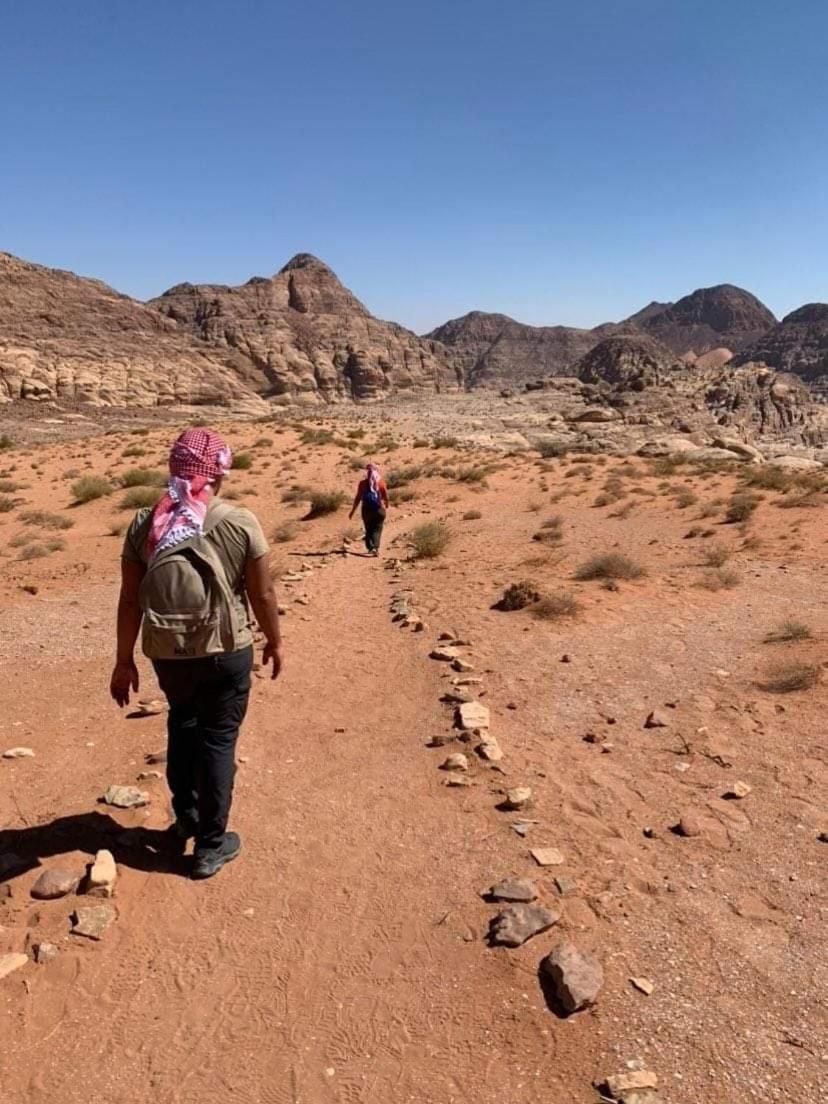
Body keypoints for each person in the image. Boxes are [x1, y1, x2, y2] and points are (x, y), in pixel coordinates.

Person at [109, 428, 283, 879]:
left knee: (182, 721)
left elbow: (130, 600)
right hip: (225, 649)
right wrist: (275, 640)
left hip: (167, 653)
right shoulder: (240, 521)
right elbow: (262, 594)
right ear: (220, 473)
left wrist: (123, 660)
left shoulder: (145, 522)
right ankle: (209, 846)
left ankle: (186, 816)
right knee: (218, 740)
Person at [348, 462, 389, 556]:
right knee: (378, 529)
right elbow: (386, 496)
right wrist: (387, 505)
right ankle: (376, 548)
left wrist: (352, 511)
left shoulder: (362, 484)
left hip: (367, 510)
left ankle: (370, 547)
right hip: (379, 510)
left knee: (368, 528)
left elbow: (358, 498)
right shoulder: (381, 483)